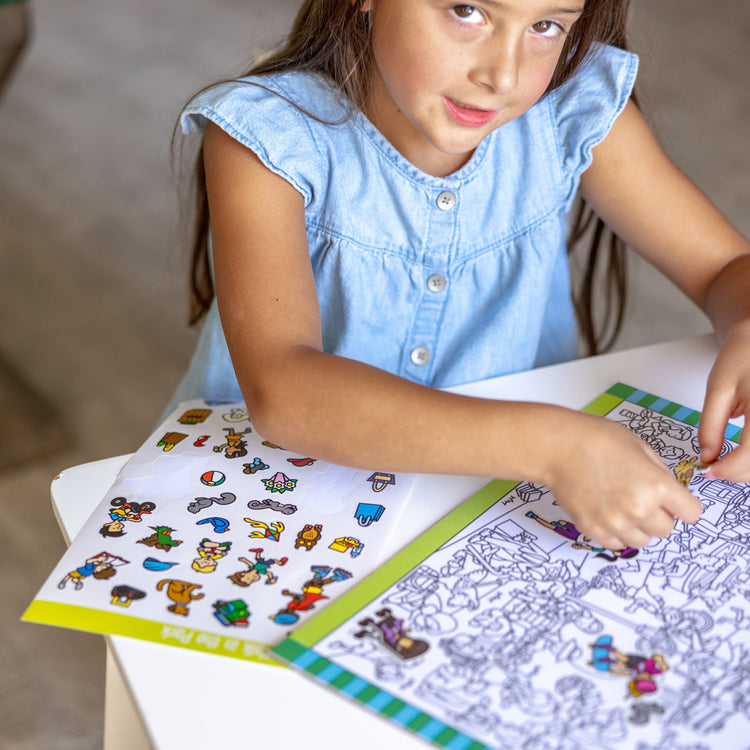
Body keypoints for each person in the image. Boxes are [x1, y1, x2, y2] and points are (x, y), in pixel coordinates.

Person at [173, 0, 750, 553]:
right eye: (467, 11)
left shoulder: (569, 105)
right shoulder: (268, 136)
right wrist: (553, 447)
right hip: (272, 498)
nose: (503, 75)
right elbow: (285, 393)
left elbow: (724, 267)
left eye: (546, 25)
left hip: (495, 502)